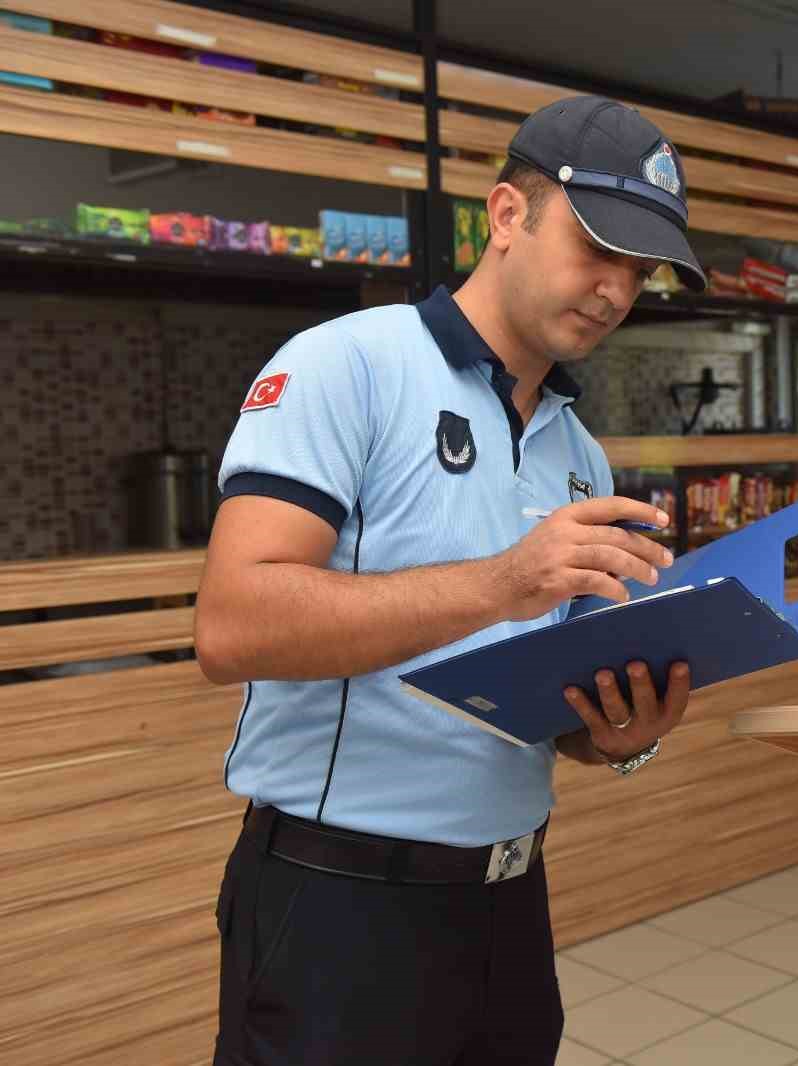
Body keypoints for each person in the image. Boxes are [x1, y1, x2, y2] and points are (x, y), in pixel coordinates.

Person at [194, 95, 707, 1066]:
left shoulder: (580, 454)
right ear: (505, 216)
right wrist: (506, 579)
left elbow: (542, 701)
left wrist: (615, 734)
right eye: (597, 248)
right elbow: (232, 624)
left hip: (509, 904)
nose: (615, 290)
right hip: (337, 904)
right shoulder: (348, 366)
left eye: (640, 273)